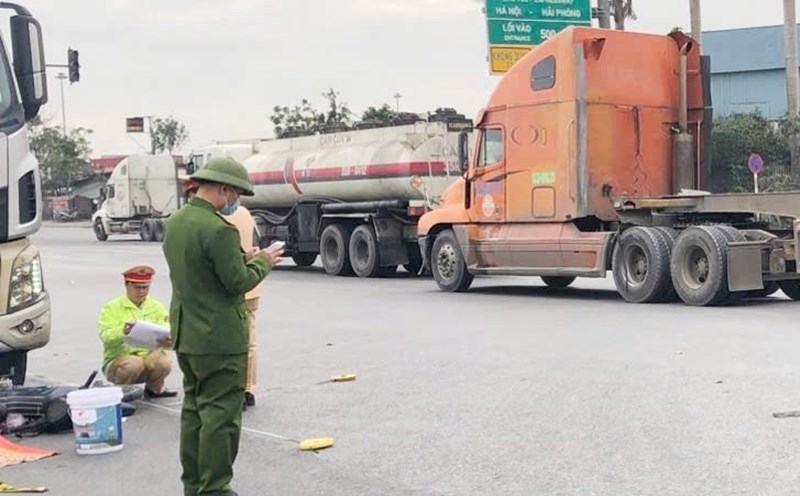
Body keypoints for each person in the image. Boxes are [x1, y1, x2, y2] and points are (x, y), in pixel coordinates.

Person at [162, 157, 283, 496]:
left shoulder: (177, 222)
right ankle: (215, 488)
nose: (235, 201)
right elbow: (237, 282)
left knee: (194, 412)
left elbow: (201, 270)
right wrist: (263, 261)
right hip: (219, 339)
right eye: (236, 193)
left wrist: (242, 257)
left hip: (188, 335)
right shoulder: (219, 229)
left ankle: (193, 485)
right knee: (221, 417)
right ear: (224, 189)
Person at [97, 265, 177, 398]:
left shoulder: (156, 307)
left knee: (163, 361)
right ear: (126, 285)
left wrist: (167, 340)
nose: (141, 291)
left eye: (145, 287)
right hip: (119, 360)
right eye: (137, 287)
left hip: (148, 357)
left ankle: (155, 389)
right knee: (134, 363)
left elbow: (168, 333)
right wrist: (122, 331)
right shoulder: (112, 307)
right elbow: (105, 336)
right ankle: (122, 393)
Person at [222, 204, 263, 411]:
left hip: (230, 289)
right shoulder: (246, 213)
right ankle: (248, 389)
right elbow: (257, 242)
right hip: (252, 286)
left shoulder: (214, 217)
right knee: (249, 341)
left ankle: (233, 390)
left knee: (228, 343)